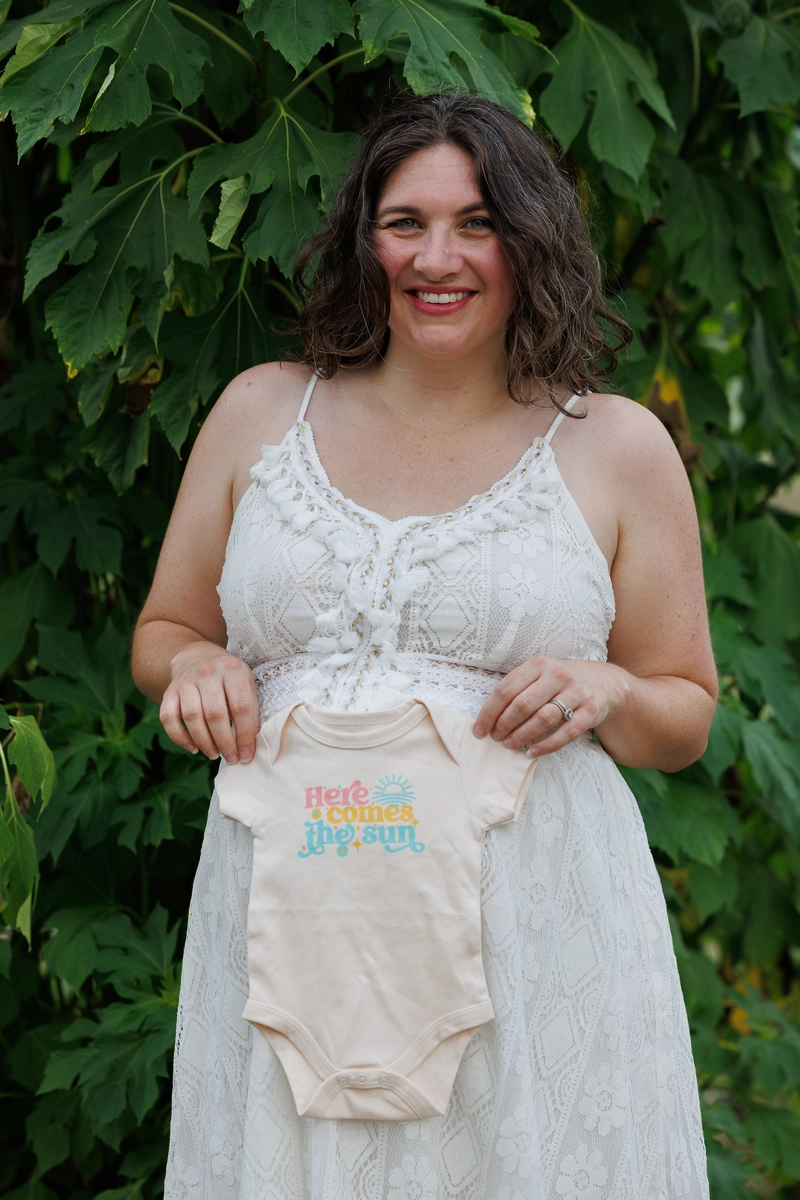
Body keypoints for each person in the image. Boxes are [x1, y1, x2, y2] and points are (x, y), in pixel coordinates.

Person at [132, 92, 716, 1200]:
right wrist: (197, 664)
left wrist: (601, 686)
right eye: (403, 222)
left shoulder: (614, 446)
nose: (434, 257)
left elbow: (682, 709)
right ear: (364, 239)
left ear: (529, 240)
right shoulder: (261, 412)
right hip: (292, 922)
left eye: (476, 223)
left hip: (531, 931)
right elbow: (165, 630)